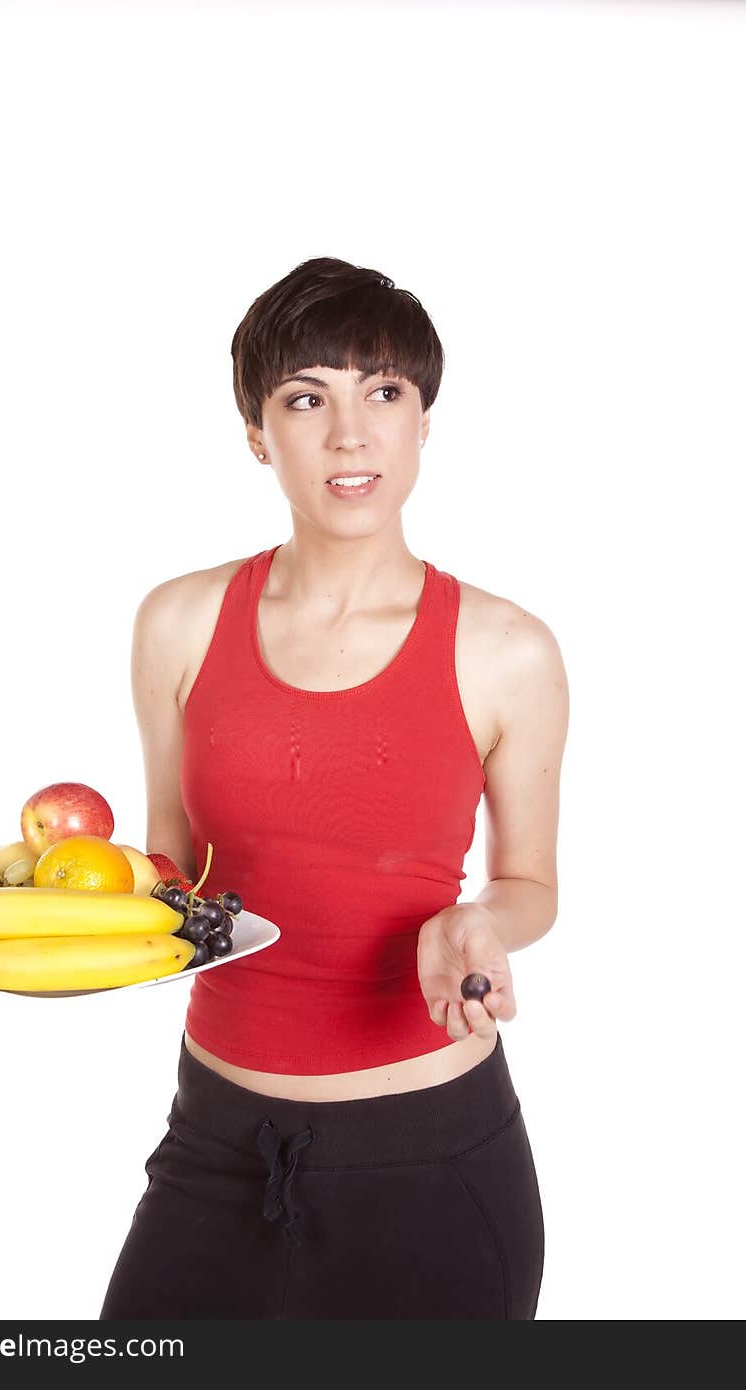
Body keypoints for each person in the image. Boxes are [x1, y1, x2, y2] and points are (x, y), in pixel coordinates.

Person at [99, 256, 569, 1320]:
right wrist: (60, 910)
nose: (350, 434)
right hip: (215, 1136)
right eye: (307, 398)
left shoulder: (508, 650)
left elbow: (530, 881)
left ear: (422, 423)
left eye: (384, 394)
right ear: (259, 434)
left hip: (432, 1163)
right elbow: (172, 863)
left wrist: (474, 922)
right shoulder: (177, 621)